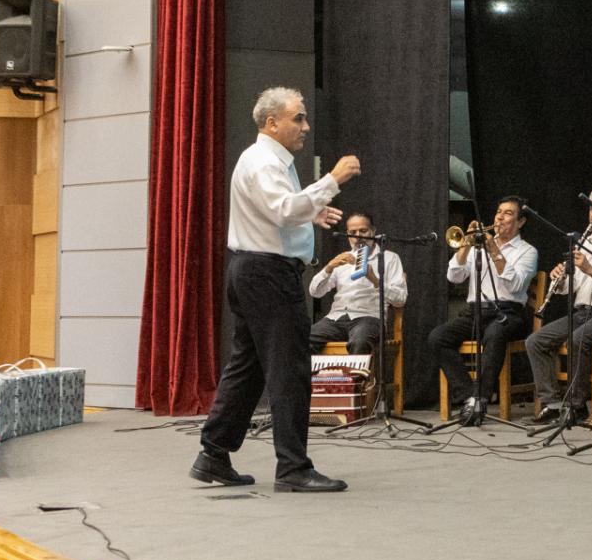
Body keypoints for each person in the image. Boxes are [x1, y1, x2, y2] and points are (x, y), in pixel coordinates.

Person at [193, 87, 359, 493]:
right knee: (290, 370)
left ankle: (214, 453)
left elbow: (280, 211)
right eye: (298, 118)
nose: (305, 126)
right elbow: (283, 210)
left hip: (253, 271)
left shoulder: (266, 160)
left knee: (248, 368)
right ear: (272, 123)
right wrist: (332, 180)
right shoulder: (264, 161)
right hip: (267, 274)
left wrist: (310, 212)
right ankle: (292, 468)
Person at [526, 186, 592, 425]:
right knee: (535, 341)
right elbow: (572, 286)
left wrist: (590, 269)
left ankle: (576, 406)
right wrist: (560, 279)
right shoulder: (585, 243)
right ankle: (552, 404)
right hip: (583, 313)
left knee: (577, 339)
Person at [430, 197, 539, 426]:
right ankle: (468, 396)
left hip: (508, 313)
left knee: (494, 334)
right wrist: (466, 245)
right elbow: (454, 277)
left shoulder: (528, 251)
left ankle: (480, 399)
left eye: (508, 213)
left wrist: (495, 251)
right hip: (475, 311)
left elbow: (515, 285)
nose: (500, 217)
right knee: (438, 337)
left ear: (521, 222)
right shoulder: (476, 247)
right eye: (499, 211)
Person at [307, 212, 408, 355]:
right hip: (336, 318)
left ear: (373, 231)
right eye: (353, 232)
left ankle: (356, 371)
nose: (358, 236)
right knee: (303, 339)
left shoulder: (389, 258)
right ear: (348, 235)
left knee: (360, 341)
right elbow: (315, 292)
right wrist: (328, 268)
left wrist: (375, 280)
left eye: (363, 231)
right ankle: (322, 372)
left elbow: (400, 300)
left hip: (369, 318)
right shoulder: (342, 258)